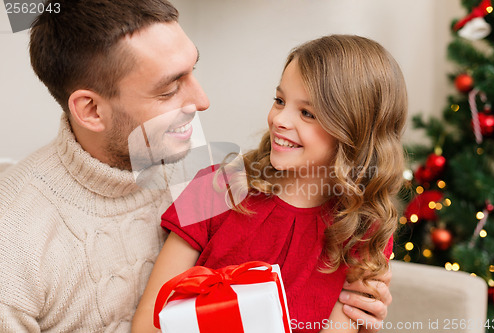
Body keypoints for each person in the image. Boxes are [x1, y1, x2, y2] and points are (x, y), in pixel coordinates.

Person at [0, 1, 392, 332]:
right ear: (91, 109)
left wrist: (362, 307)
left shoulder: (191, 157)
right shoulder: (15, 241)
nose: (203, 101)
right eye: (169, 88)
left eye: (194, 70)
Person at [133, 34, 407, 333]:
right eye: (279, 100)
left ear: (353, 132)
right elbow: (150, 320)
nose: (279, 119)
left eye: (307, 113)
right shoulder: (215, 187)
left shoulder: (363, 230)